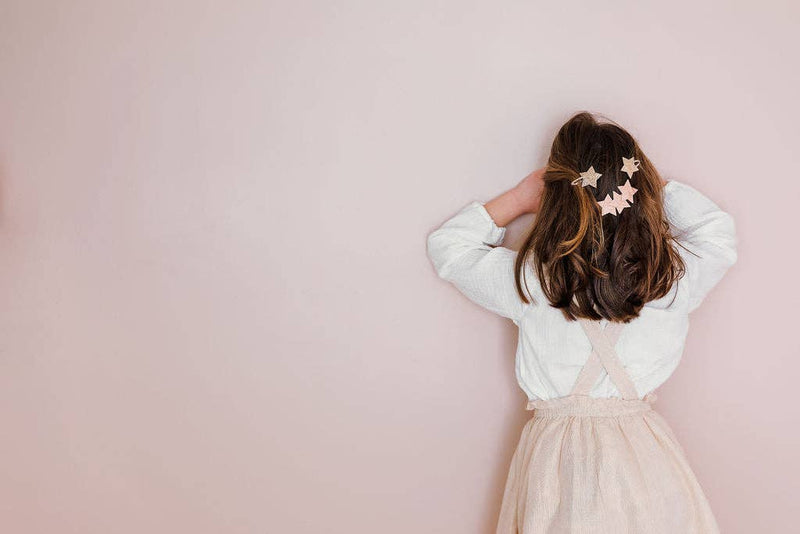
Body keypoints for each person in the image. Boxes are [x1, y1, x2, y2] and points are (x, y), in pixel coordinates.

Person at [425, 111, 737, 533]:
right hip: (646, 459)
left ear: (556, 189)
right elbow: (716, 232)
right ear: (640, 185)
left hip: (557, 461)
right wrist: (648, 184)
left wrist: (519, 198)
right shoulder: (670, 278)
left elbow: (450, 247)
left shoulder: (535, 279)